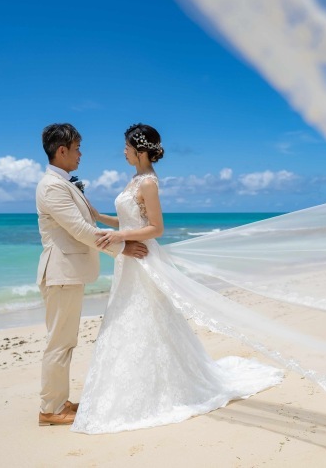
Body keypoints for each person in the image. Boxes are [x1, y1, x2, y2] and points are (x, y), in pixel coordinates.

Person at [71, 123, 283, 434]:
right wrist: (100, 218)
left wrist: (120, 236)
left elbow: (156, 228)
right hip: (129, 259)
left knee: (149, 316)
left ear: (141, 151)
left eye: (127, 147)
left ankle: (164, 386)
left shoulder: (149, 183)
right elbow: (131, 219)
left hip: (142, 257)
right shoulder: (134, 180)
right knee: (129, 316)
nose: (124, 152)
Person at [35, 123, 148, 426]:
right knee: (59, 342)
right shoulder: (52, 186)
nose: (80, 154)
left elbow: (86, 222)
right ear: (62, 151)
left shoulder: (64, 183)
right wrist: (121, 247)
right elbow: (80, 230)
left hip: (67, 274)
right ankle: (50, 409)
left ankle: (58, 401)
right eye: (76, 149)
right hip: (60, 273)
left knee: (65, 340)